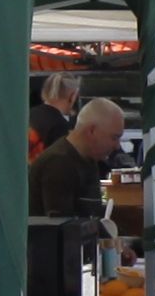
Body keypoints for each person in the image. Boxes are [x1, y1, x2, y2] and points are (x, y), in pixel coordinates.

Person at [28, 94, 125, 223]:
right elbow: (62, 228)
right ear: (91, 131)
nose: (117, 146)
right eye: (114, 137)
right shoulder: (58, 163)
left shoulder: (88, 158)